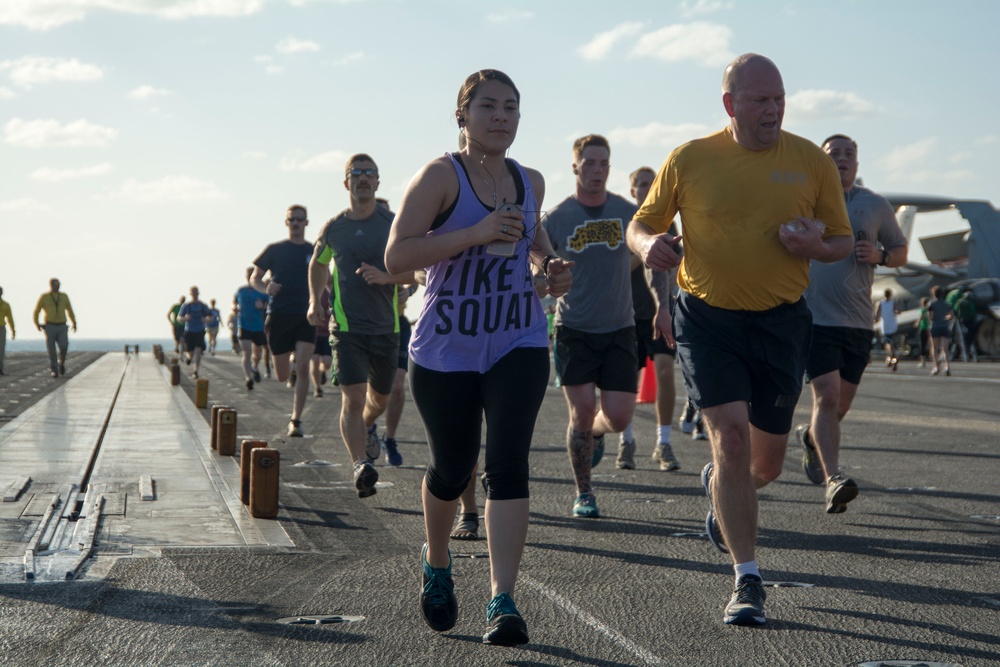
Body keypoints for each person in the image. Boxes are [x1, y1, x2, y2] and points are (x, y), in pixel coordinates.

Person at [627, 53, 853, 626]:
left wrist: (814, 247)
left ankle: (723, 490)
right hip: (708, 319)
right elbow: (641, 224)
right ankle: (746, 577)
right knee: (729, 439)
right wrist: (645, 245)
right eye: (760, 100)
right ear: (730, 105)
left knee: (765, 465)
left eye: (779, 98)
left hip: (782, 321)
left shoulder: (810, 161)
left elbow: (843, 241)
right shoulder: (690, 158)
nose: (773, 109)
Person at [384, 69, 572, 646]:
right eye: (488, 106)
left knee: (509, 465)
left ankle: (503, 599)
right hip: (446, 347)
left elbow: (539, 252)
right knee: (453, 467)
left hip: (517, 338)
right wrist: (475, 232)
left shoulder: (531, 180)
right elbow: (396, 258)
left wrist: (553, 269)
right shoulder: (441, 177)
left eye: (511, 108)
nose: (501, 117)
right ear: (462, 114)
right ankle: (437, 561)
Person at [795, 133, 908, 513]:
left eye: (849, 154)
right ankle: (833, 481)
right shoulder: (805, 200)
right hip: (813, 317)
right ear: (822, 162)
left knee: (838, 407)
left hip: (858, 321)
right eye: (833, 154)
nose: (842, 159)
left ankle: (812, 439)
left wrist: (879, 254)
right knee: (825, 396)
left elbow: (901, 251)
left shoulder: (875, 204)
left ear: (857, 164)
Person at [542, 134, 638, 518]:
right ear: (575, 167)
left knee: (618, 417)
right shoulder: (558, 218)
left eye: (603, 164)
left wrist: (663, 307)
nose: (596, 171)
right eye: (589, 164)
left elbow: (655, 255)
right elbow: (538, 265)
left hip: (619, 328)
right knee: (580, 410)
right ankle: (585, 492)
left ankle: (598, 433)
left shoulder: (628, 212)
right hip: (575, 328)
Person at [308, 154, 413, 494]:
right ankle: (360, 465)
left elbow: (418, 267)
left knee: (379, 399)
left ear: (379, 182)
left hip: (386, 328)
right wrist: (314, 300)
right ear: (346, 183)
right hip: (347, 329)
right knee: (353, 398)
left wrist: (388, 278)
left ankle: (369, 425)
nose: (364, 179)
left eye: (370, 173)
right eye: (357, 173)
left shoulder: (392, 224)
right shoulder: (334, 228)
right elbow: (318, 264)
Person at [619, 166, 680, 472]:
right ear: (633, 191)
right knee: (628, 381)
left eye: (652, 183)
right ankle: (626, 441)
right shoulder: (628, 224)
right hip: (627, 313)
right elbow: (619, 267)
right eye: (641, 184)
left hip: (662, 311)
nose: (647, 188)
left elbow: (678, 267)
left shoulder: (668, 222)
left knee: (666, 372)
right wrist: (643, 246)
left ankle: (663, 442)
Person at [251, 205, 316, 436]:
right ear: (286, 222)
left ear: (306, 223)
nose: (296, 223)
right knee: (282, 376)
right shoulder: (275, 250)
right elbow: (255, 278)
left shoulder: (315, 249)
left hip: (306, 314)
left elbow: (326, 276)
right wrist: (265, 287)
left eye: (300, 219)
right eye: (292, 219)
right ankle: (292, 366)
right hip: (279, 314)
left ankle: (296, 420)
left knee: (304, 365)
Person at [33, 278, 78, 378]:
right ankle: (54, 369)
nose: (57, 286)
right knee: (51, 349)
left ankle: (61, 363)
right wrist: (37, 323)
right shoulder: (44, 297)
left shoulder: (64, 296)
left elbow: (70, 310)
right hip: (50, 326)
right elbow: (37, 311)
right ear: (51, 285)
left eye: (58, 285)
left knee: (64, 346)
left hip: (62, 325)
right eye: (55, 285)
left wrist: (74, 322)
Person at [235, 267, 270, 390]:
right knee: (246, 352)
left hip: (258, 326)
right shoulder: (241, 290)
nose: (249, 277)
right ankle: (248, 378)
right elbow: (233, 303)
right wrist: (234, 308)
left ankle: (254, 367)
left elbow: (270, 304)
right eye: (248, 274)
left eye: (251, 275)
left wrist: (263, 306)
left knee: (258, 353)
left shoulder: (262, 291)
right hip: (244, 325)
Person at [178, 286, 213, 378]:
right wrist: (185, 318)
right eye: (193, 293)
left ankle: (195, 371)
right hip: (189, 331)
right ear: (190, 294)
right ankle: (189, 358)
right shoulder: (186, 306)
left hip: (200, 331)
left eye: (196, 293)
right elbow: (179, 318)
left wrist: (206, 320)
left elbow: (211, 317)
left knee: (198, 350)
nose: (194, 295)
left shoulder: (202, 306)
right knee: (191, 352)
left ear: (198, 293)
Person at [310, 284, 333, 398]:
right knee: (314, 360)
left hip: (327, 332)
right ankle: (317, 388)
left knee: (327, 363)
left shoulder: (331, 290)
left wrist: (331, 312)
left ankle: (323, 372)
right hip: (313, 332)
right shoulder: (311, 290)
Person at [927, 284, 953, 376]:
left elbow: (929, 316)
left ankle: (936, 367)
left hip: (935, 326)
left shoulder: (932, 304)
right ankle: (947, 367)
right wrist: (946, 319)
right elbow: (951, 315)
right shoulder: (946, 304)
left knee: (934, 348)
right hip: (944, 326)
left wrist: (932, 321)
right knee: (945, 348)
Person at [873, 288, 900, 370]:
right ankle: (890, 359)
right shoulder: (893, 302)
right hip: (893, 326)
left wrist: (874, 321)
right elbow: (898, 311)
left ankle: (893, 358)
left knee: (888, 344)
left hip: (885, 326)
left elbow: (876, 316)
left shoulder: (880, 303)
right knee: (890, 343)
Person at [0, 286, 14, 375]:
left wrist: (13, 330)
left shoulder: (5, 305)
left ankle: (0, 368)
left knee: (1, 349)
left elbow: (10, 318)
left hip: (1, 328)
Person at [917, 297, 931, 367]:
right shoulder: (930, 310)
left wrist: (916, 323)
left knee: (922, 345)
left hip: (923, 328)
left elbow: (920, 317)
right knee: (930, 344)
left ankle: (923, 361)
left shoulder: (922, 310)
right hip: (929, 328)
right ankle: (932, 358)